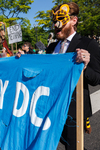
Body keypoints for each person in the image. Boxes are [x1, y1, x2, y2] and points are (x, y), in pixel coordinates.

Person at [46, 2, 100, 150]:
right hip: (52, 107)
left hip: (74, 111)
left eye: (61, 21)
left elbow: (97, 78)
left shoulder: (88, 44)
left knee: (74, 146)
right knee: (61, 142)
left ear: (73, 20)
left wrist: (86, 66)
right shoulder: (51, 47)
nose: (56, 25)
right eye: (54, 21)